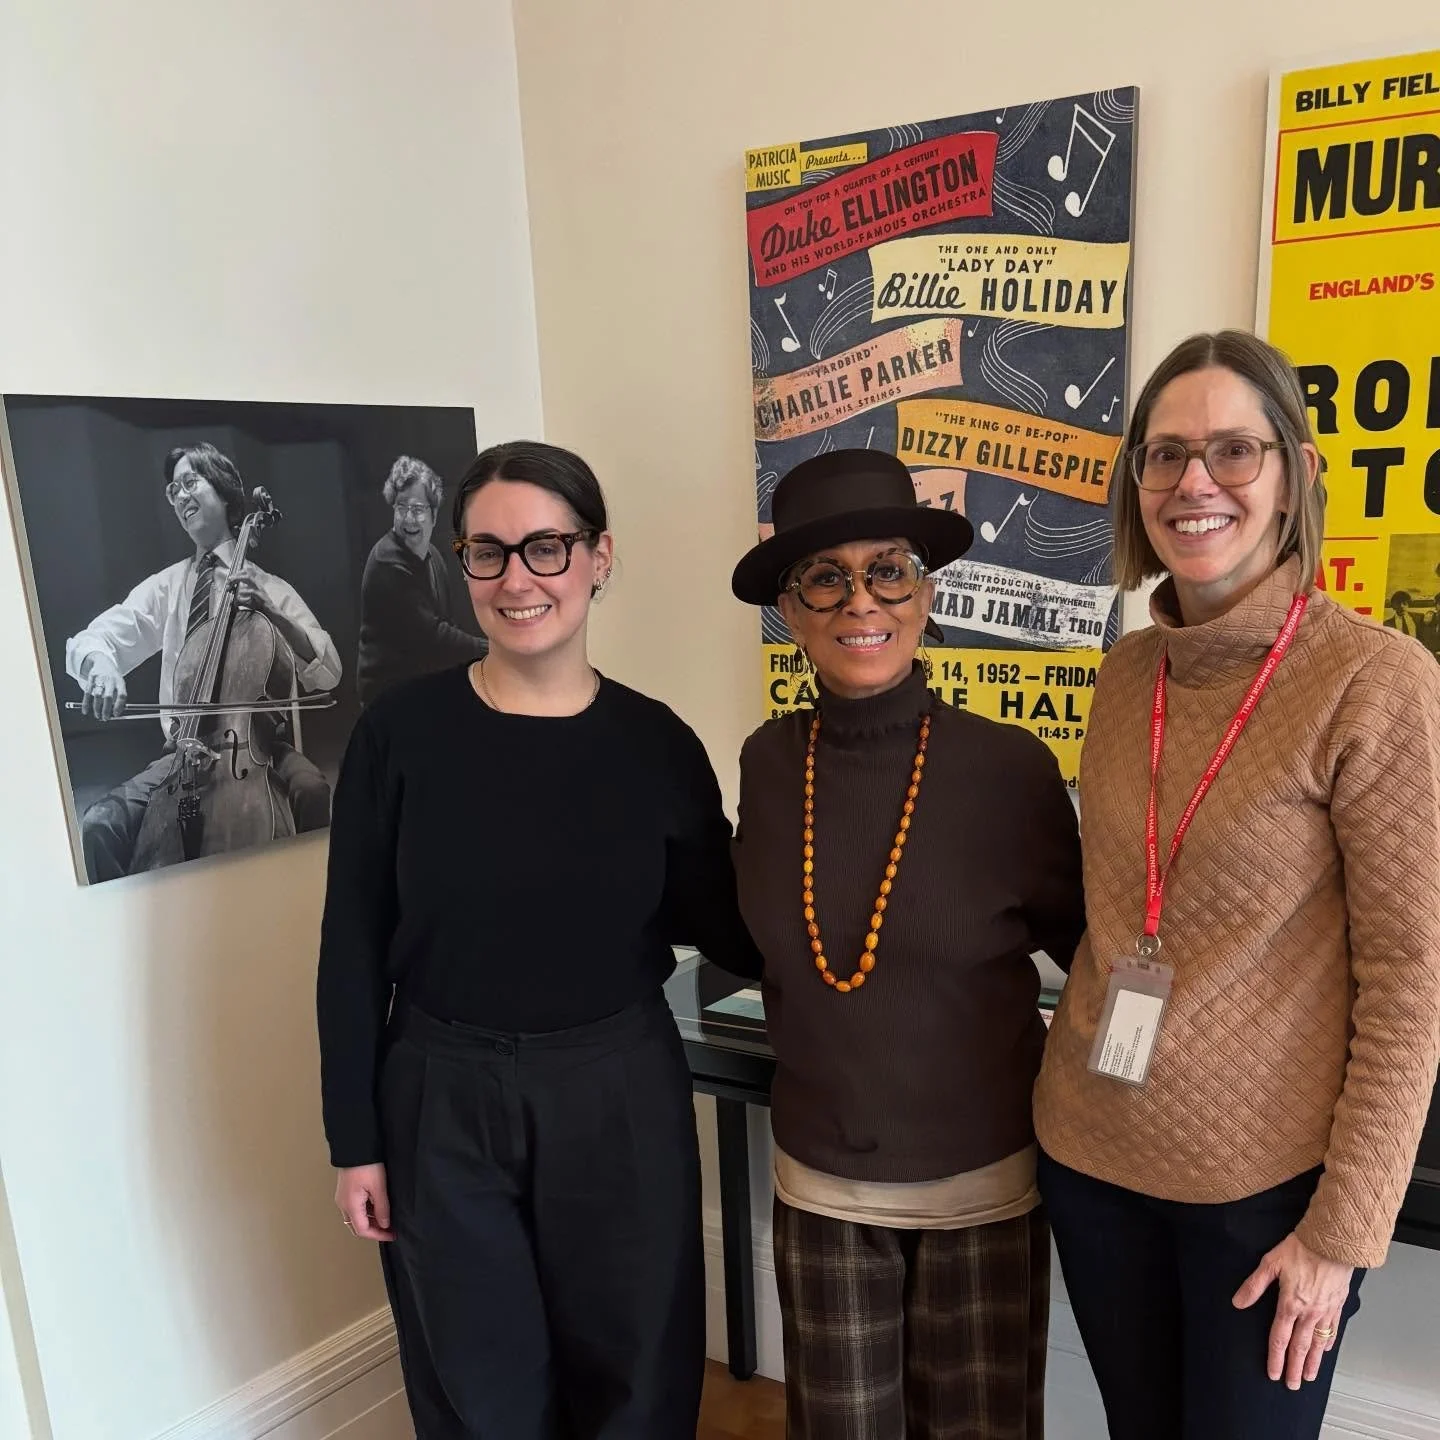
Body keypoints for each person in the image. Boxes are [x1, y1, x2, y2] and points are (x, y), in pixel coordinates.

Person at [1033, 330, 1440, 1440]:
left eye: (1231, 451)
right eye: (1163, 455)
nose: (1193, 483)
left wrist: (1341, 1236)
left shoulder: (1376, 681)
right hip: (1091, 1155)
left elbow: (1411, 987)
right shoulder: (1126, 674)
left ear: (1296, 474)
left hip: (1261, 1202)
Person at [316, 440, 763, 1439]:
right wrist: (357, 1141)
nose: (518, 578)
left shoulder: (658, 746)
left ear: (600, 557)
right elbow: (351, 941)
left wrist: (807, 824)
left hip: (619, 1093)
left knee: (637, 1376)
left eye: (547, 548)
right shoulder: (400, 735)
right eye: (490, 552)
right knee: (480, 1389)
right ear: (462, 563)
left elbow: (728, 928)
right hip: (440, 1098)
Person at [729, 449, 1086, 1439]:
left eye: (887, 569)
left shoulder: (1010, 769)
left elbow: (1095, 956)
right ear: (791, 610)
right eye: (825, 578)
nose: (860, 602)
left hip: (985, 1192)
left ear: (924, 594)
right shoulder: (766, 763)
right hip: (822, 1191)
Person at [65, 441, 339, 881]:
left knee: (311, 790)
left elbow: (327, 667)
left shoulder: (271, 587)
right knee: (100, 825)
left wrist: (271, 612)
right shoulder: (167, 587)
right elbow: (97, 638)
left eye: (190, 482)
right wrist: (99, 666)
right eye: (173, 491)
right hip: (181, 754)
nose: (179, 497)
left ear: (225, 493)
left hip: (258, 747)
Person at [355, 454, 485, 706]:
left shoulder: (433, 555)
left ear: (433, 515)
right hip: (387, 697)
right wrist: (490, 649)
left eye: (417, 509)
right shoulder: (387, 562)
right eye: (401, 507)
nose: (408, 519)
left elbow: (446, 624)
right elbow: (433, 636)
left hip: (418, 684)